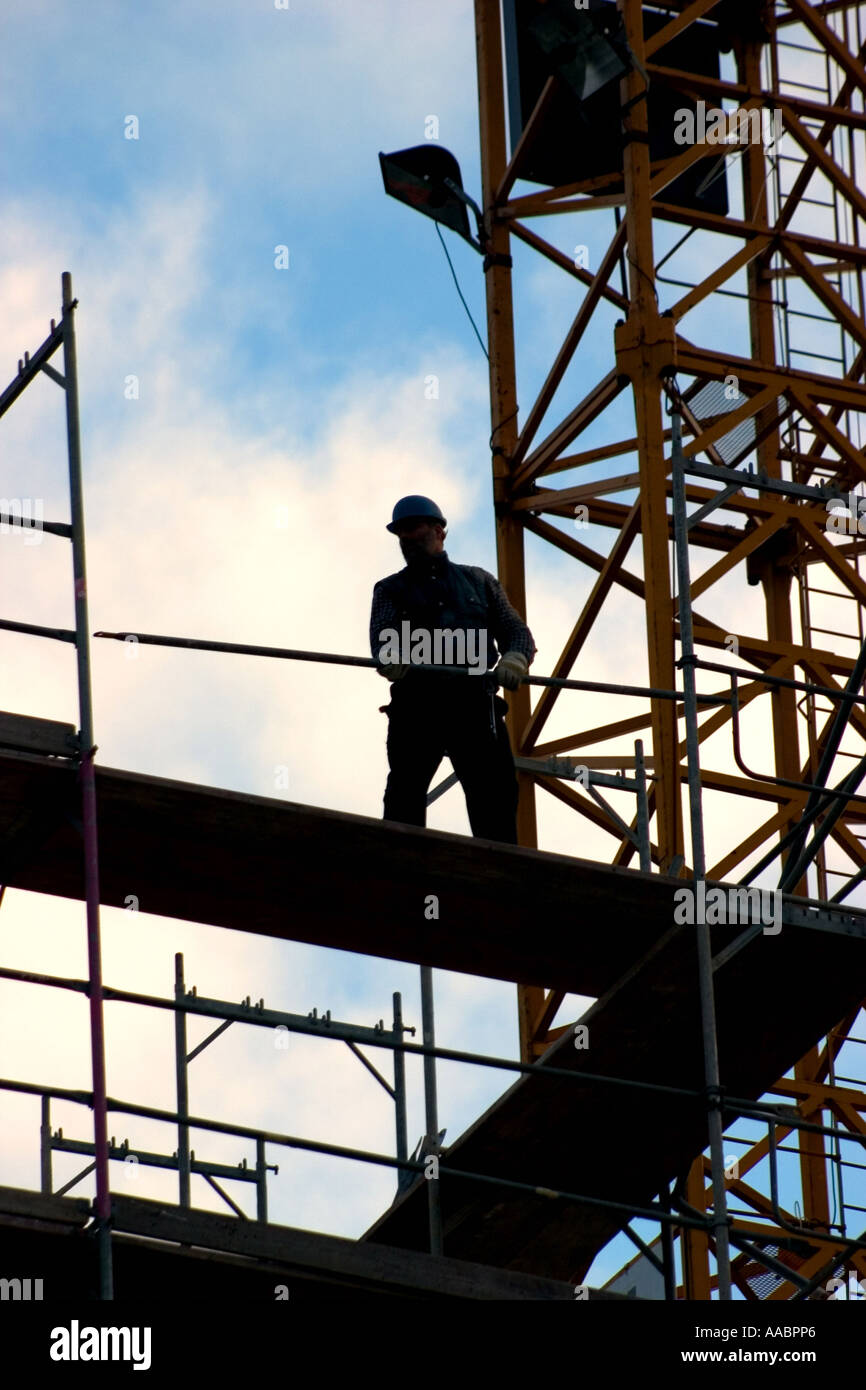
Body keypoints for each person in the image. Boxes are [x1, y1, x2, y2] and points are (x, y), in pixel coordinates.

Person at [369, 495, 536, 844]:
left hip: (474, 707)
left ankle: (499, 871)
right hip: (417, 706)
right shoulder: (390, 590)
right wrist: (391, 656)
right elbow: (383, 639)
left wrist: (515, 658)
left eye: (414, 529)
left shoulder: (478, 582)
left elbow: (516, 632)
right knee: (404, 794)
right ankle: (400, 868)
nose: (408, 539)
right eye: (401, 533)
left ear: (439, 531)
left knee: (494, 797)